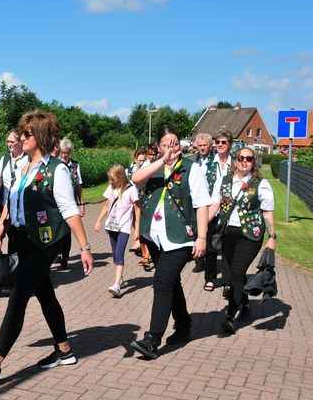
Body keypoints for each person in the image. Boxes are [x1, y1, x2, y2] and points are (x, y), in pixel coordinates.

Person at [0, 110, 94, 385]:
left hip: (44, 242)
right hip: (21, 239)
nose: (21, 137)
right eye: (21, 133)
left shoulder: (56, 169)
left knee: (19, 295)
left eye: (27, 134)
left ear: (41, 137)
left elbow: (69, 210)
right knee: (45, 294)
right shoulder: (22, 166)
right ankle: (64, 350)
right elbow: (10, 205)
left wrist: (85, 247)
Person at [129, 127, 210, 360]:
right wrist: (161, 161)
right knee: (172, 282)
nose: (171, 148)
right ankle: (183, 325)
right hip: (155, 237)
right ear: (159, 147)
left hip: (181, 238)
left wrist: (202, 238)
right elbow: (135, 180)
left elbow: (202, 205)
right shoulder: (152, 167)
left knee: (162, 283)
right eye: (166, 144)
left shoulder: (191, 169)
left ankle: (152, 339)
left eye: (174, 143)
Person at [209, 147, 275, 334]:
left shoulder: (261, 184)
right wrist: (201, 228)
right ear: (235, 160)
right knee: (231, 274)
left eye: (249, 158)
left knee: (237, 272)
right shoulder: (224, 181)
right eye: (241, 158)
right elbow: (215, 205)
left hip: (250, 235)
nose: (245, 161)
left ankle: (230, 316)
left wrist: (272, 237)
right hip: (228, 233)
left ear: (254, 162)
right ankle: (243, 301)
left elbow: (267, 212)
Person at [93, 165, 140, 298]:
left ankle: (116, 285)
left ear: (121, 177)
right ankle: (121, 278)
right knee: (115, 255)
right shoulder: (111, 188)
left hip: (123, 228)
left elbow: (137, 210)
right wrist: (98, 220)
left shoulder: (131, 189)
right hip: (111, 226)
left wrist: (137, 230)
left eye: (113, 179)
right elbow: (106, 205)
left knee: (119, 254)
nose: (111, 181)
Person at [0, 129, 29, 292]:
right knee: (6, 238)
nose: (8, 144)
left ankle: (16, 278)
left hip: (19, 205)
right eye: (7, 141)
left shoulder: (27, 159)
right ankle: (9, 275)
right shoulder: (4, 159)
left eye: (12, 142)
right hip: (5, 203)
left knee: (16, 240)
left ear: (20, 143)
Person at [202, 128, 233, 292]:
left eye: (223, 142)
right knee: (211, 247)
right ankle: (210, 278)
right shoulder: (207, 164)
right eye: (218, 142)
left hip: (231, 212)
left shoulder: (236, 164)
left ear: (230, 144)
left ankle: (228, 281)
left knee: (228, 247)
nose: (220, 145)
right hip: (211, 209)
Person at [57, 137, 84, 269]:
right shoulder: (55, 164)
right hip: (56, 203)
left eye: (67, 153)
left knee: (67, 231)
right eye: (62, 152)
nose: (64, 155)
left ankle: (65, 257)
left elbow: (78, 186)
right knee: (57, 229)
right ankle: (57, 253)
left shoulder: (75, 166)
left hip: (70, 202)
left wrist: (81, 204)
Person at [191, 132, 214, 274]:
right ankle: (199, 260)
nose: (202, 147)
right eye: (200, 145)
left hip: (211, 201)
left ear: (210, 146)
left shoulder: (215, 160)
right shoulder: (193, 160)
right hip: (197, 201)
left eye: (205, 145)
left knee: (210, 234)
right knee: (196, 230)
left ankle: (210, 265)